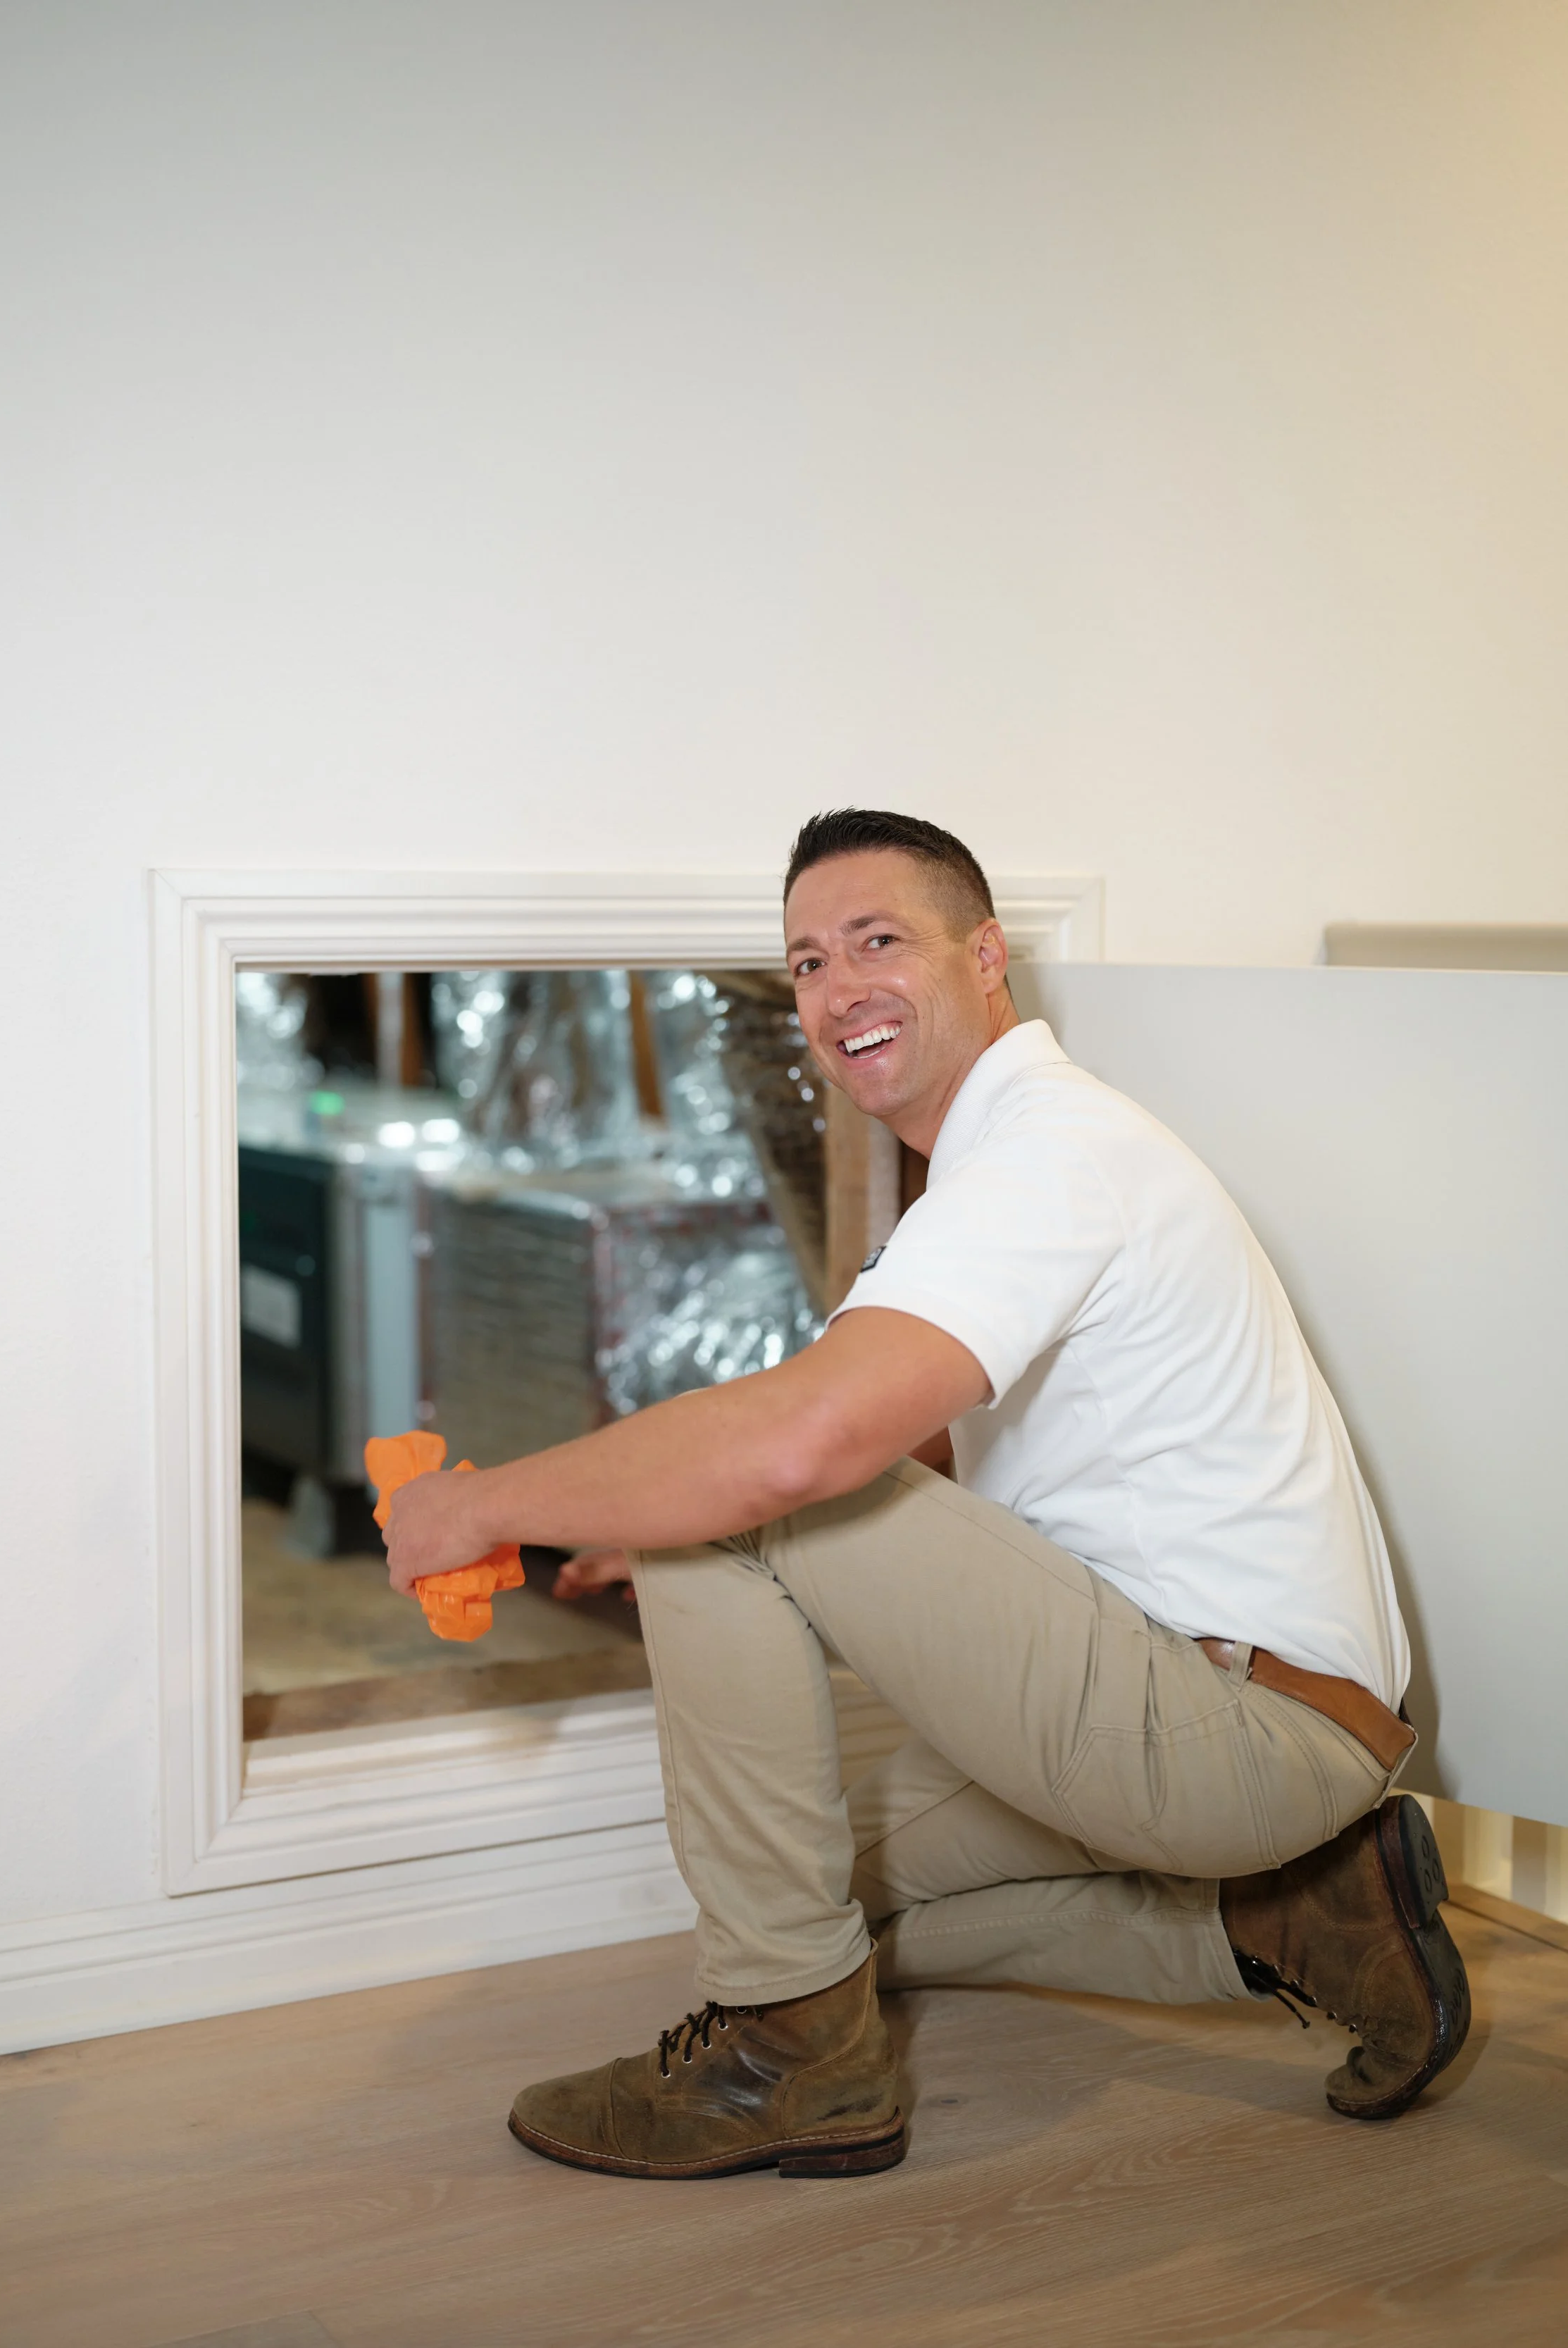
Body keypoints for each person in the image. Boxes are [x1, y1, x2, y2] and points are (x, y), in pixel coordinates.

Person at [380, 808, 1471, 2180]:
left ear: (985, 955)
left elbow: (790, 1449)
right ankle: (1300, 1916)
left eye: (876, 941)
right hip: (1236, 1722)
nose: (838, 989)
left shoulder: (1045, 1159)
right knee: (818, 1909)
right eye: (807, 964)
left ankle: (786, 2056)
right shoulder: (1002, 1166)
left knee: (736, 1498)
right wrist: (622, 1520)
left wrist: (486, 1510)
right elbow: (928, 1445)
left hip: (1231, 1723)